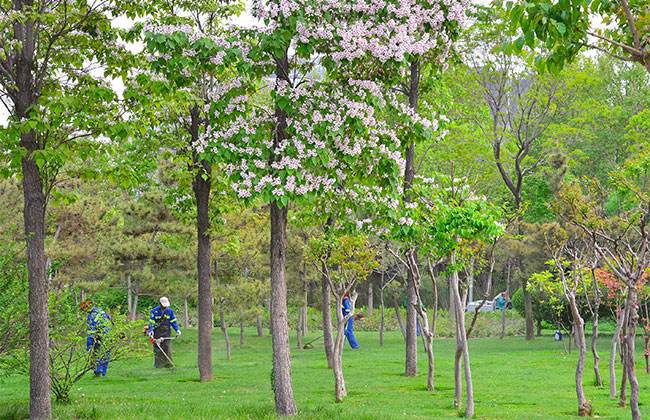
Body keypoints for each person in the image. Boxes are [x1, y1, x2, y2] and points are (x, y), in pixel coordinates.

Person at [148, 296, 181, 368]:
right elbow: (151, 322)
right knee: (158, 349)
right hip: (157, 332)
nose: (165, 307)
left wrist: (177, 330)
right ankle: (158, 365)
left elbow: (173, 322)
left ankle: (168, 365)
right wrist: (150, 330)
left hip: (166, 332)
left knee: (167, 348)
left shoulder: (170, 311)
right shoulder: (154, 311)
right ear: (160, 304)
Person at [82, 300, 112, 377]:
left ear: (87, 308)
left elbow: (91, 331)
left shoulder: (92, 315)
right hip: (108, 335)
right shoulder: (101, 311)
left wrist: (88, 346)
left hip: (100, 336)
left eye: (84, 309)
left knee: (97, 353)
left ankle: (98, 371)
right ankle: (103, 373)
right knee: (106, 353)